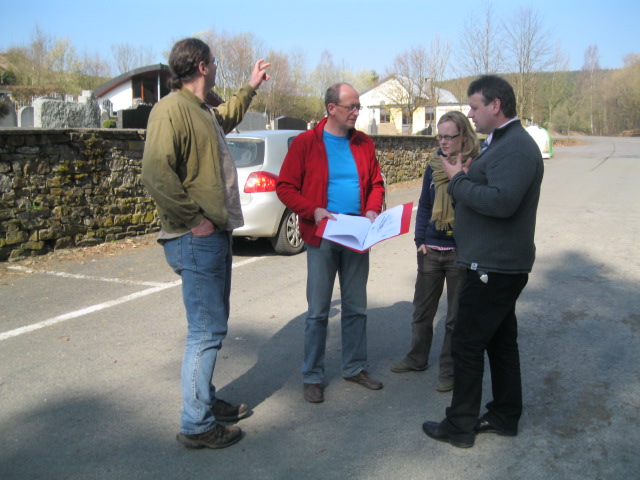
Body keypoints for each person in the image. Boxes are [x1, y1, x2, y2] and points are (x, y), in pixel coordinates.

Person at [141, 38, 270, 449]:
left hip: (213, 237)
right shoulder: (171, 109)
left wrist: (250, 86)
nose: (217, 67)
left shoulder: (201, 111)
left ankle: (205, 401)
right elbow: (156, 174)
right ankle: (196, 425)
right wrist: (192, 220)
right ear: (201, 66)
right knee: (205, 330)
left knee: (212, 325)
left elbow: (226, 116)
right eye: (214, 62)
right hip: (195, 238)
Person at [421, 75, 544, 448]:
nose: (470, 114)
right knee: (501, 343)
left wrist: (458, 181)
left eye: (474, 106)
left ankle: (459, 427)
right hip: (493, 264)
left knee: (467, 345)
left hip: (493, 267)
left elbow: (502, 203)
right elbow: (494, 191)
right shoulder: (503, 144)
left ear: (495, 106)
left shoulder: (517, 148)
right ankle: (506, 415)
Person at [276, 83, 386, 403]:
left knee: (356, 308)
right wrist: (314, 211)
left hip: (357, 235)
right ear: (331, 108)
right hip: (322, 236)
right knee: (318, 311)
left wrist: (371, 209)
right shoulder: (306, 143)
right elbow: (285, 187)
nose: (356, 112)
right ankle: (312, 375)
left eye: (358, 107)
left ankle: (354, 368)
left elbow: (376, 182)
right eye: (350, 107)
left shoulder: (364, 143)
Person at [390, 111, 479, 393]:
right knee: (422, 311)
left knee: (454, 318)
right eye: (439, 136)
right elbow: (425, 205)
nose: (443, 141)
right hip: (431, 248)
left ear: (463, 136)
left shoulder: (474, 165)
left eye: (449, 136)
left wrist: (462, 179)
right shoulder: (433, 164)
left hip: (459, 251)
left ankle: (449, 371)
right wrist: (420, 240)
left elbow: (476, 208)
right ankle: (417, 358)